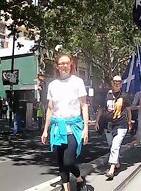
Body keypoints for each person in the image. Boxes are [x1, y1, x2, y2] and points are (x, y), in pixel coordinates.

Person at [41, 53, 88, 191]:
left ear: (71, 64)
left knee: (69, 161)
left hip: (73, 127)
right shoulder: (52, 85)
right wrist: (45, 130)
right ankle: (66, 188)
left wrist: (85, 128)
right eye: (61, 64)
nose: (64, 66)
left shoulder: (78, 82)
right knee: (61, 162)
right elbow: (50, 109)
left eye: (66, 63)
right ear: (57, 66)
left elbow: (84, 106)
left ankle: (79, 178)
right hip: (57, 127)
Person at [95, 75, 132, 180]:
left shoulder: (124, 96)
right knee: (112, 145)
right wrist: (97, 121)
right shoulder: (106, 95)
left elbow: (128, 110)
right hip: (108, 125)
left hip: (121, 124)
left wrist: (129, 122)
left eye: (119, 82)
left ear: (121, 84)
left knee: (115, 145)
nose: (117, 83)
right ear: (112, 82)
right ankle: (117, 164)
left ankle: (111, 168)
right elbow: (101, 109)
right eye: (115, 81)